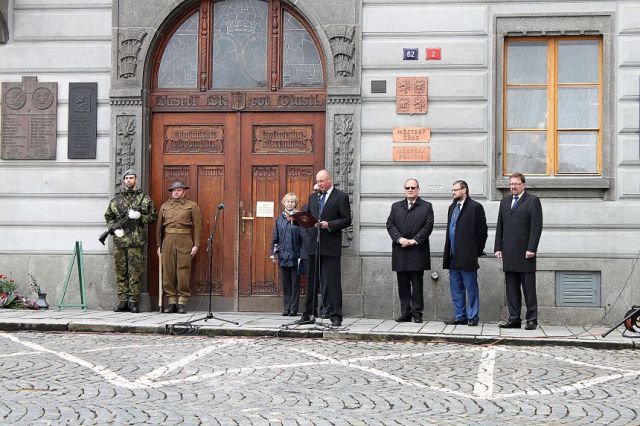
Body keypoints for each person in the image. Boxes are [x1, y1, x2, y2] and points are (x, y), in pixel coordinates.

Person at [296, 170, 351, 327]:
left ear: (329, 180)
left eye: (321, 181)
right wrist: (298, 218)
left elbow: (347, 220)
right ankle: (308, 314)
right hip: (314, 244)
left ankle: (335, 315)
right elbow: (309, 215)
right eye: (317, 181)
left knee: (333, 282)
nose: (319, 184)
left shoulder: (341, 197)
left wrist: (330, 224)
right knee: (312, 281)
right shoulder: (313, 197)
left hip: (331, 245)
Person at [494, 172, 543, 330]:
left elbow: (536, 227)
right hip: (509, 252)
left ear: (523, 185)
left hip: (525, 253)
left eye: (516, 184)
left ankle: (532, 319)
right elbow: (500, 226)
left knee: (529, 288)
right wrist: (498, 248)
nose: (513, 187)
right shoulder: (505, 202)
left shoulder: (533, 201)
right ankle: (514, 318)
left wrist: (532, 248)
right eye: (511, 184)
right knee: (511, 288)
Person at [104, 169, 157, 313]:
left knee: (135, 273)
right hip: (120, 242)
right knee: (120, 272)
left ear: (136, 180)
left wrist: (140, 217)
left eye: (131, 178)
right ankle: (123, 301)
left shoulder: (144, 199)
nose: (129, 180)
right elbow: (108, 217)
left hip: (135, 243)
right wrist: (113, 229)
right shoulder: (116, 200)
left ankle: (133, 302)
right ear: (123, 181)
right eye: (126, 178)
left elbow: (153, 217)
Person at [386, 178, 434, 323]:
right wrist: (399, 239)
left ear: (418, 189)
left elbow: (428, 226)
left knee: (417, 285)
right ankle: (405, 313)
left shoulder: (426, 206)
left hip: (417, 251)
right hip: (400, 250)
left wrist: (414, 240)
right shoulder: (396, 206)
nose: (410, 190)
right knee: (403, 285)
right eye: (407, 187)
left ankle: (417, 313)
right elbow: (390, 224)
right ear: (404, 189)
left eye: (413, 187)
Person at [442, 180, 488, 326]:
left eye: (455, 190)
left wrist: (476, 251)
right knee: (456, 288)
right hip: (452, 256)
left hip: (467, 256)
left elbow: (482, 232)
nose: (453, 192)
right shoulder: (452, 207)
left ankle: (473, 317)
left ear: (464, 190)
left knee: (471, 288)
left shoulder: (475, 207)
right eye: (452, 190)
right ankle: (459, 316)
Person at [156, 181, 202, 314]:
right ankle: (172, 302)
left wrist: (196, 244)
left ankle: (182, 301)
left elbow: (198, 227)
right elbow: (159, 228)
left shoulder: (192, 206)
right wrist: (159, 245)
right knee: (168, 273)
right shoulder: (165, 206)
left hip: (185, 240)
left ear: (184, 191)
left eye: (179, 190)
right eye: (174, 190)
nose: (176, 192)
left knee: (183, 272)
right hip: (168, 240)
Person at [271, 192, 302, 316]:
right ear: (284, 203)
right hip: (283, 255)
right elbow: (275, 237)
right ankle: (286, 308)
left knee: (295, 283)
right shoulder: (279, 219)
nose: (290, 204)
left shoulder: (299, 218)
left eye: (292, 201)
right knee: (286, 283)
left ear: (295, 204)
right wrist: (274, 254)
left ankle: (294, 309)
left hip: (296, 255)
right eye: (288, 201)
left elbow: (303, 237)